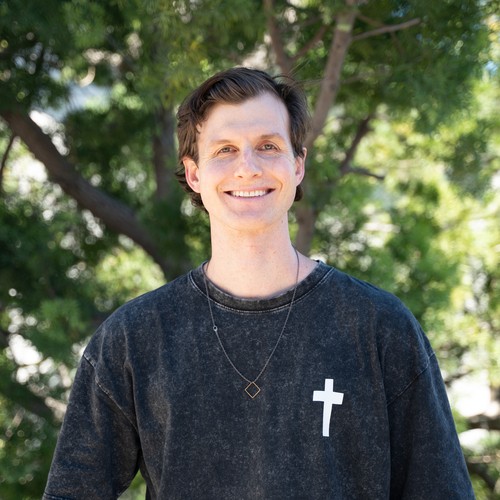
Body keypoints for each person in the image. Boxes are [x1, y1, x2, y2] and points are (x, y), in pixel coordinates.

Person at [43, 67, 474, 499]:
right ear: (194, 174)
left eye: (268, 146)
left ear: (298, 165)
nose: (247, 168)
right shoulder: (134, 338)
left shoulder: (380, 327)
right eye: (225, 150)